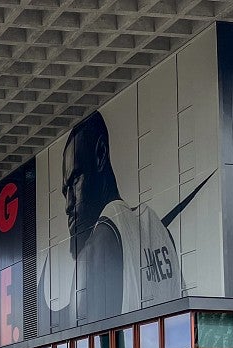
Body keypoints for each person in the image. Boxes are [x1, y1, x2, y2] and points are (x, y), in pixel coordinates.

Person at [43, 110, 182, 325]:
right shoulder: (155, 227)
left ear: (100, 155)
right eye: (65, 192)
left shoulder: (96, 247)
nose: (68, 204)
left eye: (75, 181)